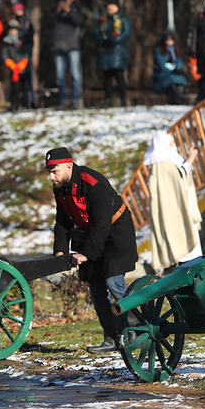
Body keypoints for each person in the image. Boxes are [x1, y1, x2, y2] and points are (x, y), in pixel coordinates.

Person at [46, 147, 138, 354]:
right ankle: (112, 337)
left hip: (116, 233)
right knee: (96, 289)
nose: (51, 177)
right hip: (92, 236)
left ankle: (136, 331)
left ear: (68, 166)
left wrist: (85, 254)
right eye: (49, 171)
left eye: (54, 171)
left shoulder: (92, 182)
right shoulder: (60, 187)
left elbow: (102, 224)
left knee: (113, 281)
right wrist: (60, 252)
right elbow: (62, 221)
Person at [142, 131, 203, 272]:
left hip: (180, 204)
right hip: (175, 208)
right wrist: (190, 159)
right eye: (170, 142)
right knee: (183, 241)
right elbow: (178, 177)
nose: (173, 145)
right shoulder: (162, 162)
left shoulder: (165, 159)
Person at [47, 0, 85, 109]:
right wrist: (58, 11)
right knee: (60, 76)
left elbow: (80, 21)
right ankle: (63, 101)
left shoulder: (76, 9)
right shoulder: (55, 9)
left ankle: (75, 101)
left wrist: (69, 10)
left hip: (73, 47)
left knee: (75, 75)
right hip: (58, 47)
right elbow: (48, 21)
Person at [93, 0, 132, 107]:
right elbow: (96, 33)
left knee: (119, 76)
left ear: (117, 7)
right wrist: (103, 41)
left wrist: (113, 41)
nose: (109, 7)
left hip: (118, 52)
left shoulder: (122, 18)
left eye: (112, 5)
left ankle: (123, 99)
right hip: (105, 52)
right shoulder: (102, 20)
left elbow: (126, 32)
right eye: (108, 5)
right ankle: (107, 99)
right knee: (107, 77)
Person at [1, 19, 32, 111]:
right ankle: (14, 105)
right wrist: (10, 63)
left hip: (24, 68)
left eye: (14, 30)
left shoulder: (23, 40)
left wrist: (24, 62)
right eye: (11, 30)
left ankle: (26, 105)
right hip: (13, 70)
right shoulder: (6, 42)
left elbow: (27, 52)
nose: (13, 32)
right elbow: (4, 54)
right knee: (15, 89)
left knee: (25, 88)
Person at [11, 3, 37, 108]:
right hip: (13, 58)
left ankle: (30, 102)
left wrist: (27, 56)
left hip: (25, 57)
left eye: (20, 10)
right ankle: (15, 104)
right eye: (16, 11)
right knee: (15, 83)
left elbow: (31, 41)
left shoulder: (27, 24)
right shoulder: (11, 24)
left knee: (28, 83)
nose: (18, 13)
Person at [152, 31, 188, 105]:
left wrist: (177, 68)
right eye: (167, 39)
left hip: (174, 72)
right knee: (172, 79)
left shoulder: (176, 49)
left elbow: (179, 61)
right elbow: (160, 63)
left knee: (180, 79)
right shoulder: (159, 50)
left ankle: (177, 100)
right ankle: (174, 100)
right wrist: (171, 69)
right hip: (162, 73)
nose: (169, 41)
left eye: (171, 39)